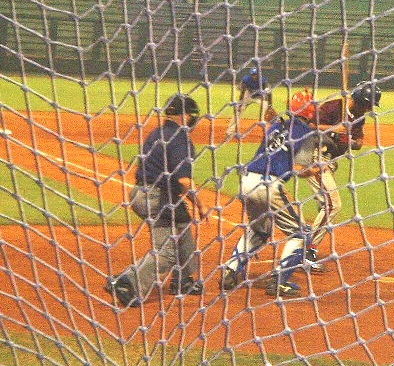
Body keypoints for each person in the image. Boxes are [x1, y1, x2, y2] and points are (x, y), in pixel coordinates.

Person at [105, 94, 209, 307]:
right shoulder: (180, 139)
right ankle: (126, 282)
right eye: (191, 116)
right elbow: (184, 180)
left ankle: (184, 280)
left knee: (181, 223)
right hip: (156, 198)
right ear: (184, 116)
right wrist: (201, 204)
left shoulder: (158, 133)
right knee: (166, 254)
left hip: (143, 194)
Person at [220, 89, 323, 297]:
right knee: (302, 234)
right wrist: (318, 169)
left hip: (247, 181)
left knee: (259, 230)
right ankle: (279, 280)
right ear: (311, 113)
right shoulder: (306, 133)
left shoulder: (277, 126)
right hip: (269, 185)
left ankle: (230, 270)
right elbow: (299, 168)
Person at [305, 81, 382, 271]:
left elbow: (359, 142)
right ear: (357, 100)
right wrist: (332, 129)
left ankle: (302, 241)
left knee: (325, 206)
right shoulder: (333, 107)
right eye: (367, 105)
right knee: (333, 205)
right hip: (314, 157)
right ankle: (307, 254)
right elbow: (309, 125)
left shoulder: (358, 116)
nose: (369, 109)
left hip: (328, 162)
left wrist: (350, 140)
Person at [225, 67, 273, 139]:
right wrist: (240, 105)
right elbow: (243, 92)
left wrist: (269, 105)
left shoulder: (263, 81)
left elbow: (269, 93)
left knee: (267, 112)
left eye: (255, 74)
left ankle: (269, 132)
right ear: (250, 75)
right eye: (252, 75)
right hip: (248, 95)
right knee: (237, 111)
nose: (254, 76)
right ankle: (229, 132)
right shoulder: (246, 80)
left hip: (260, 97)